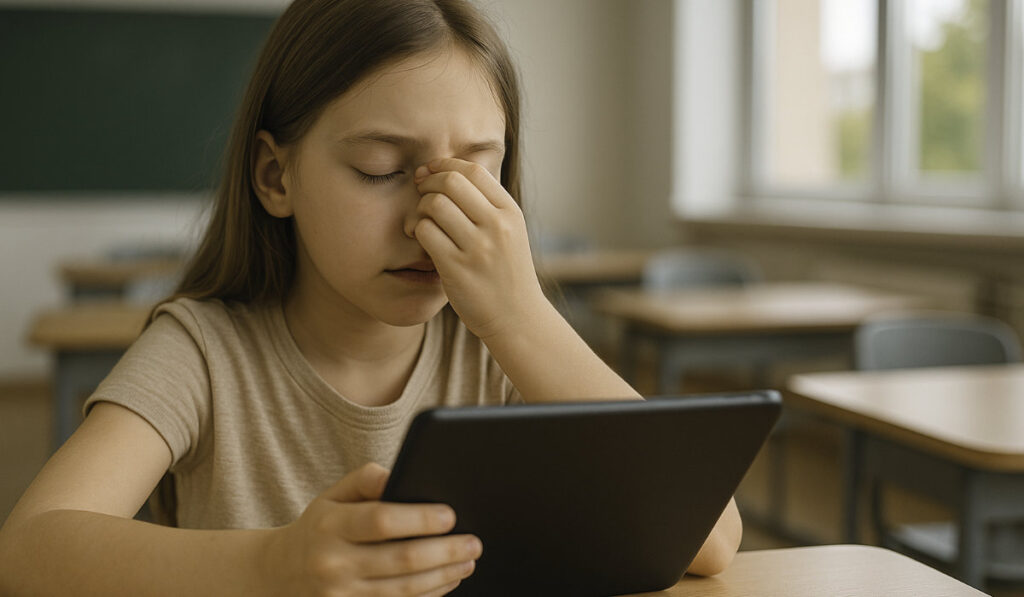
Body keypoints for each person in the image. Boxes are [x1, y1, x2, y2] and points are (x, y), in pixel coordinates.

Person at [0, 0, 742, 594]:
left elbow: (708, 536)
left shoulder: (497, 350)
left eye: (477, 169)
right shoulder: (203, 351)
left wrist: (522, 316)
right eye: (383, 169)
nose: (431, 219)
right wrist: (273, 568)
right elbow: (29, 549)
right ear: (274, 177)